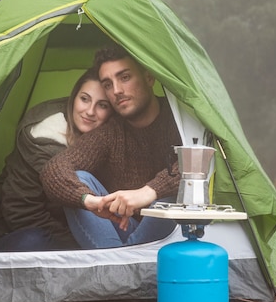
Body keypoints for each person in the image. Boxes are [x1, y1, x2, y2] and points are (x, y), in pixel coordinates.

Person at [40, 44, 182, 249]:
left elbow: (199, 166)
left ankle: (116, 266)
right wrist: (90, 201)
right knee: (80, 180)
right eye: (107, 84)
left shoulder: (178, 120)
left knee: (174, 195)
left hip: (166, 236)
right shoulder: (110, 133)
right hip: (118, 230)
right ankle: (125, 265)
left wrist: (149, 191)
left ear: (149, 78)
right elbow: (54, 169)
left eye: (124, 77)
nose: (116, 91)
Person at [0, 68, 114, 251]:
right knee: (33, 240)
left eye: (102, 105)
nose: (90, 111)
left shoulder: (107, 139)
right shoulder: (39, 140)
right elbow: (21, 213)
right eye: (85, 99)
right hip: (11, 232)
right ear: (73, 98)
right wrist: (74, 247)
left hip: (70, 231)